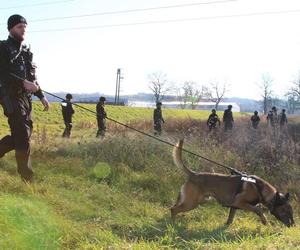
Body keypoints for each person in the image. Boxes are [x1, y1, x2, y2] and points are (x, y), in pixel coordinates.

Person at [0, 14, 49, 183]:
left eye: (24, 27)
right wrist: (22, 82)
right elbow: (3, 73)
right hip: (10, 97)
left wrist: (41, 96)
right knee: (22, 136)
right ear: (10, 28)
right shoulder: (3, 48)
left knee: (23, 135)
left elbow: (32, 78)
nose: (23, 30)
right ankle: (27, 178)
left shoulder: (26, 53)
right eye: (19, 27)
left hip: (26, 99)